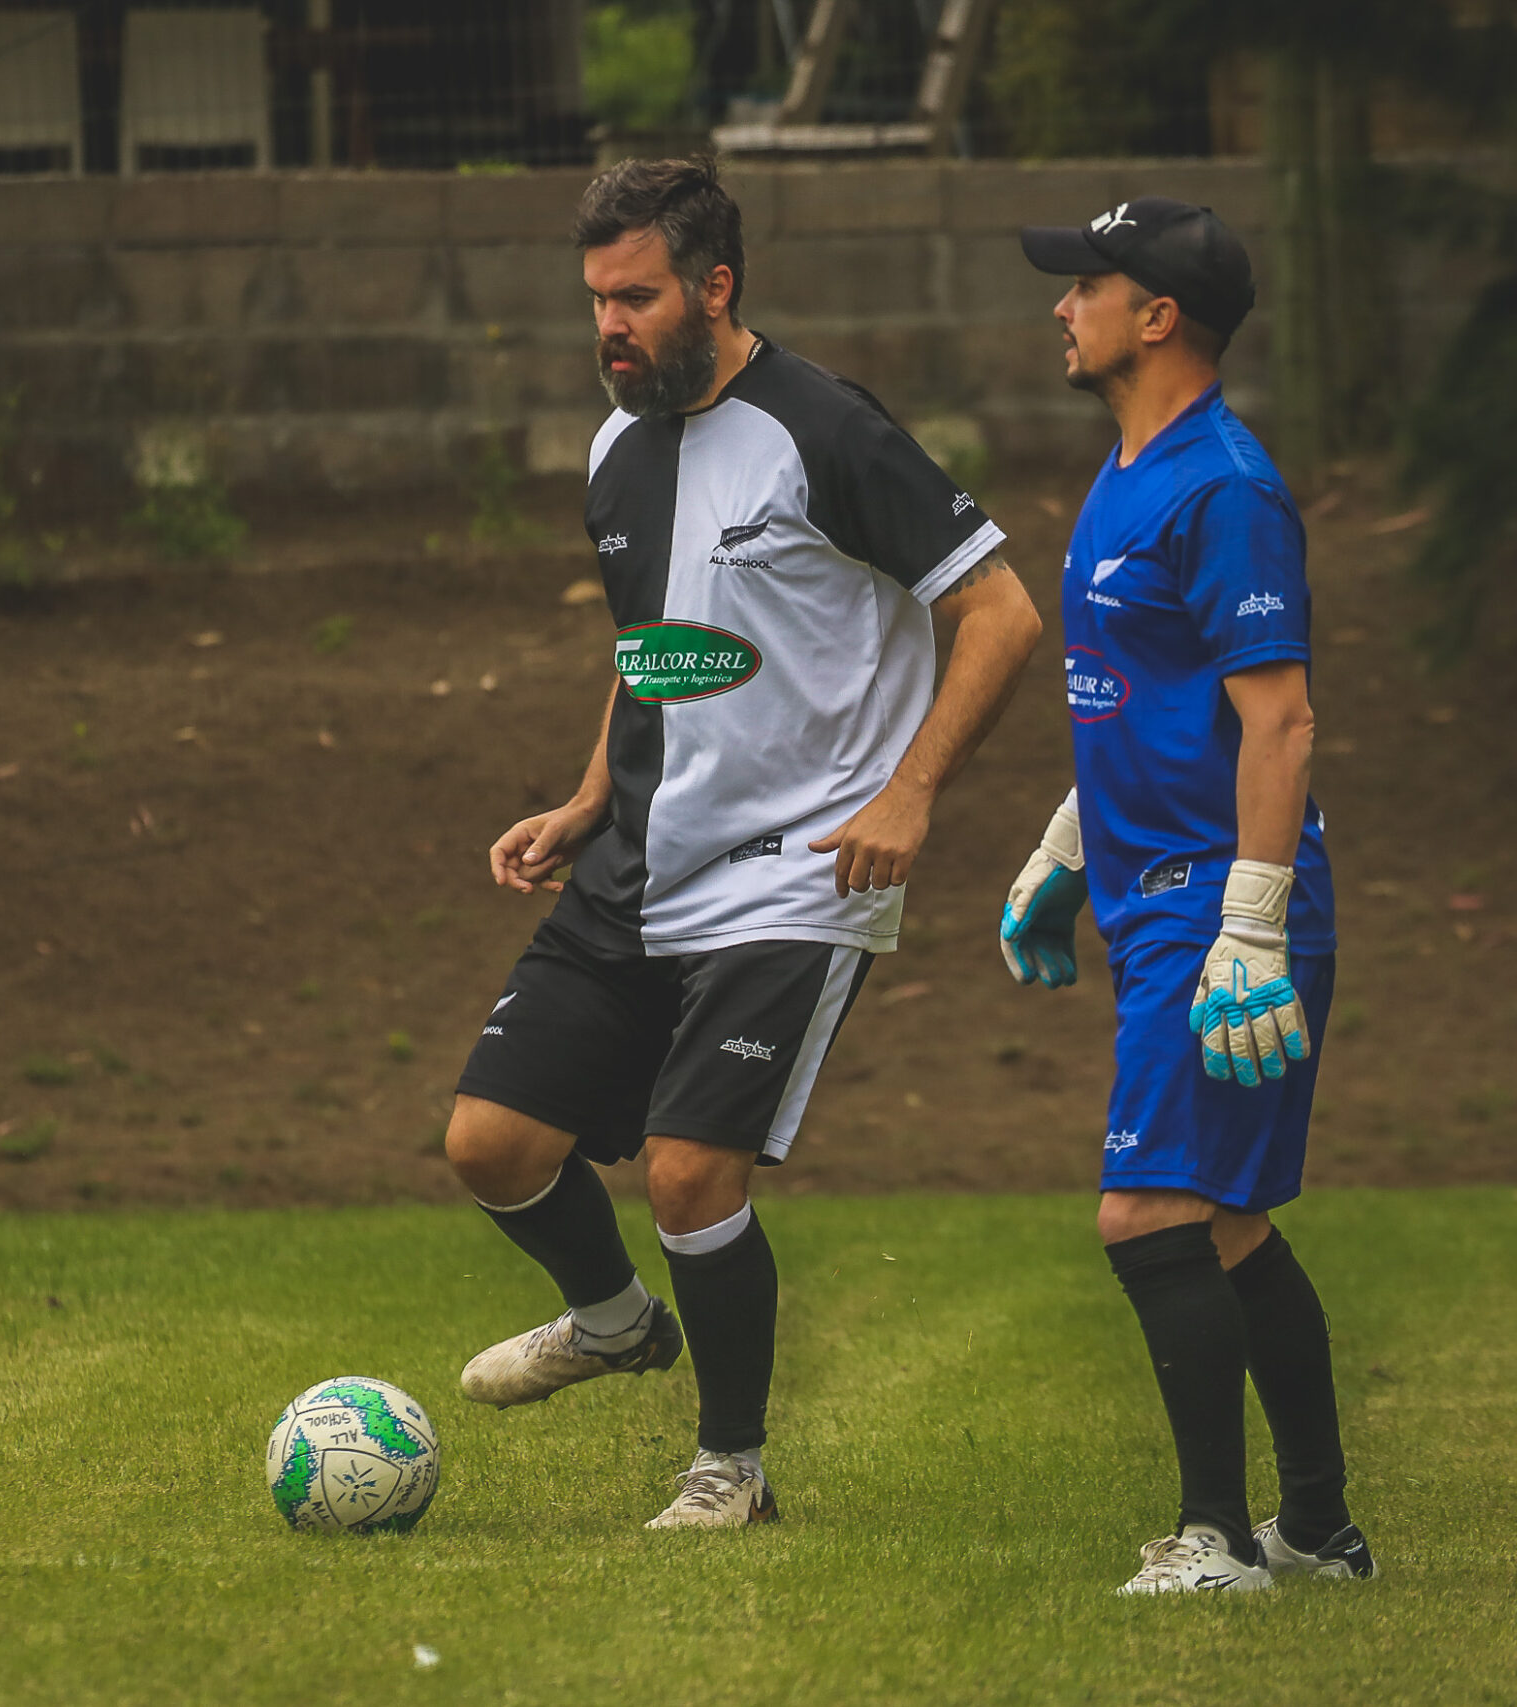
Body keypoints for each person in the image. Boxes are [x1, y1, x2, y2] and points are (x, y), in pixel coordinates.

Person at [444, 157, 1044, 1530]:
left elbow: (1003, 615)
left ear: (715, 288)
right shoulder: (615, 446)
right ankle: (614, 1324)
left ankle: (732, 1472)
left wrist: (910, 792)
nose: (611, 327)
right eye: (597, 300)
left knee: (686, 1172)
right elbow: (653, 649)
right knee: (490, 1143)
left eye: (637, 298)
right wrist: (587, 799)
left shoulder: (825, 429)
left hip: (798, 872)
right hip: (642, 865)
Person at [1002, 198, 1378, 1593]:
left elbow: (1280, 723)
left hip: (1217, 907)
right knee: (1224, 1224)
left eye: (1086, 285)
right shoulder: (1126, 473)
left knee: (1147, 1214)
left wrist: (1251, 929)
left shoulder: (1223, 489)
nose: (1062, 306)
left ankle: (1214, 1541)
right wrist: (1065, 850)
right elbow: (1148, 704)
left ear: (1157, 316)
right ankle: (1320, 1533)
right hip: (1154, 895)